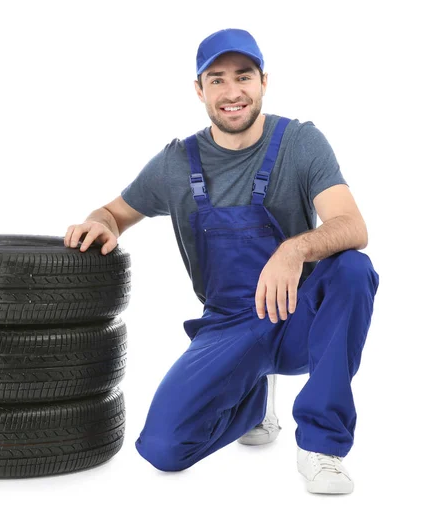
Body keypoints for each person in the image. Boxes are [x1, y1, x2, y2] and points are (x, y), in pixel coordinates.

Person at [64, 28, 379, 495]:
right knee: (164, 450)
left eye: (244, 77)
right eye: (217, 80)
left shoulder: (300, 142)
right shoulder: (176, 162)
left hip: (301, 317)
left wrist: (294, 249)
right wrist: (101, 223)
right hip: (230, 324)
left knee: (353, 269)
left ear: (263, 81)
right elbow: (112, 212)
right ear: (199, 90)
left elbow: (353, 226)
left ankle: (321, 447)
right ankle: (252, 402)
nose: (232, 92)